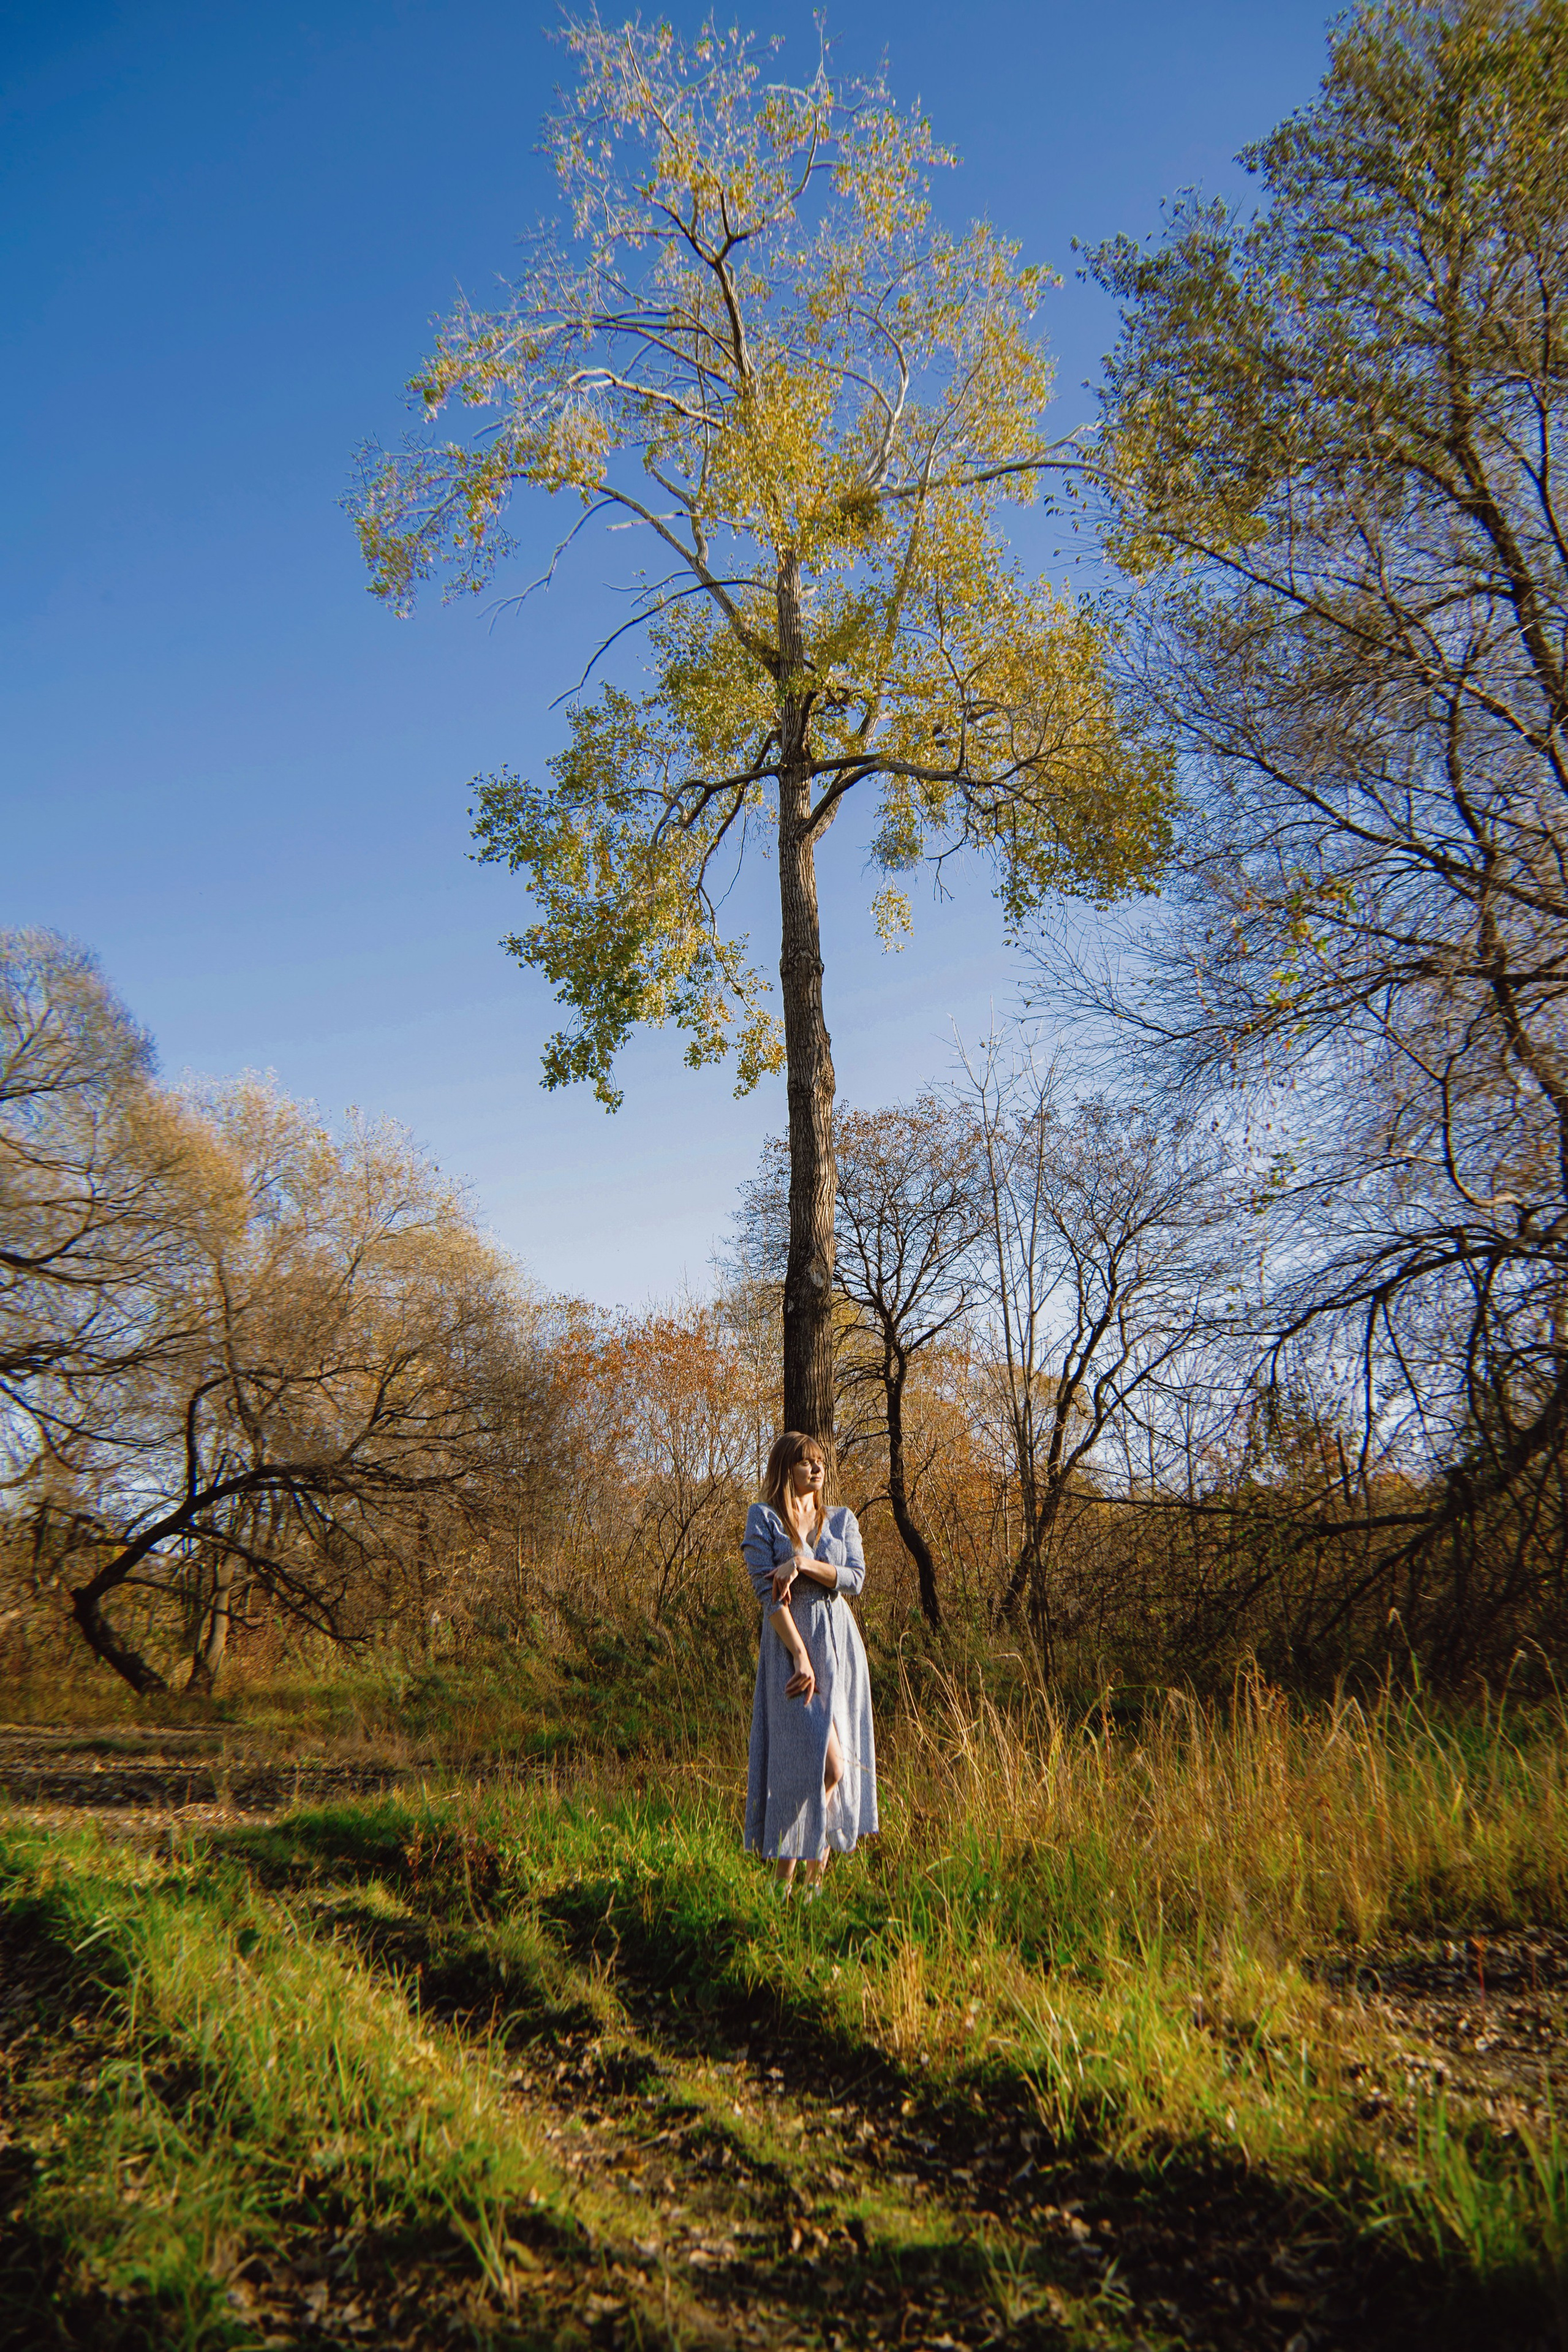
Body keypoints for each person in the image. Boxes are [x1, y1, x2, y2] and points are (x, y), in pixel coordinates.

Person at [742, 1431, 878, 1894]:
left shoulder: (841, 1520)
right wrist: (800, 1655)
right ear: (786, 1468)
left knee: (835, 1770)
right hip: (791, 1652)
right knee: (818, 1767)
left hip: (841, 1649)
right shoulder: (763, 1519)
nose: (817, 1470)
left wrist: (800, 1566)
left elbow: (854, 1579)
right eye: (805, 1462)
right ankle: (783, 1879)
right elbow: (768, 1596)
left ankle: (808, 1885)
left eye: (820, 1462)